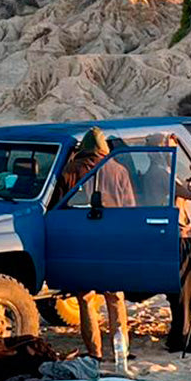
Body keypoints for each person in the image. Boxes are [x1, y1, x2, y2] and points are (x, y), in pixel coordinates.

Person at [53, 127, 134, 361]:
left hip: (81, 241)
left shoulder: (70, 170)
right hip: (113, 242)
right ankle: (122, 352)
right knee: (115, 299)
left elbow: (57, 208)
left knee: (87, 299)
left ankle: (95, 354)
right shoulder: (119, 170)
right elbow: (131, 208)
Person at [140, 133, 191, 353]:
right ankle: (180, 339)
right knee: (184, 290)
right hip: (176, 236)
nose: (173, 154)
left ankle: (186, 332)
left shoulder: (155, 172)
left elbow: (185, 188)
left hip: (173, 234)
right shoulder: (160, 174)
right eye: (170, 148)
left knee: (189, 288)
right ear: (161, 151)